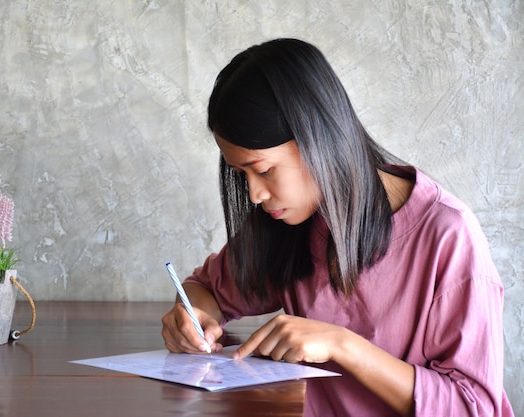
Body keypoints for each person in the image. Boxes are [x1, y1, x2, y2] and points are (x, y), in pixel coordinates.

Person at [160, 38, 513, 417]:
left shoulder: (448, 238)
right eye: (241, 174)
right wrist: (194, 318)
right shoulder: (288, 222)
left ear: (318, 137)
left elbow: (472, 407)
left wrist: (343, 346)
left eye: (262, 170)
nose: (255, 194)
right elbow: (207, 288)